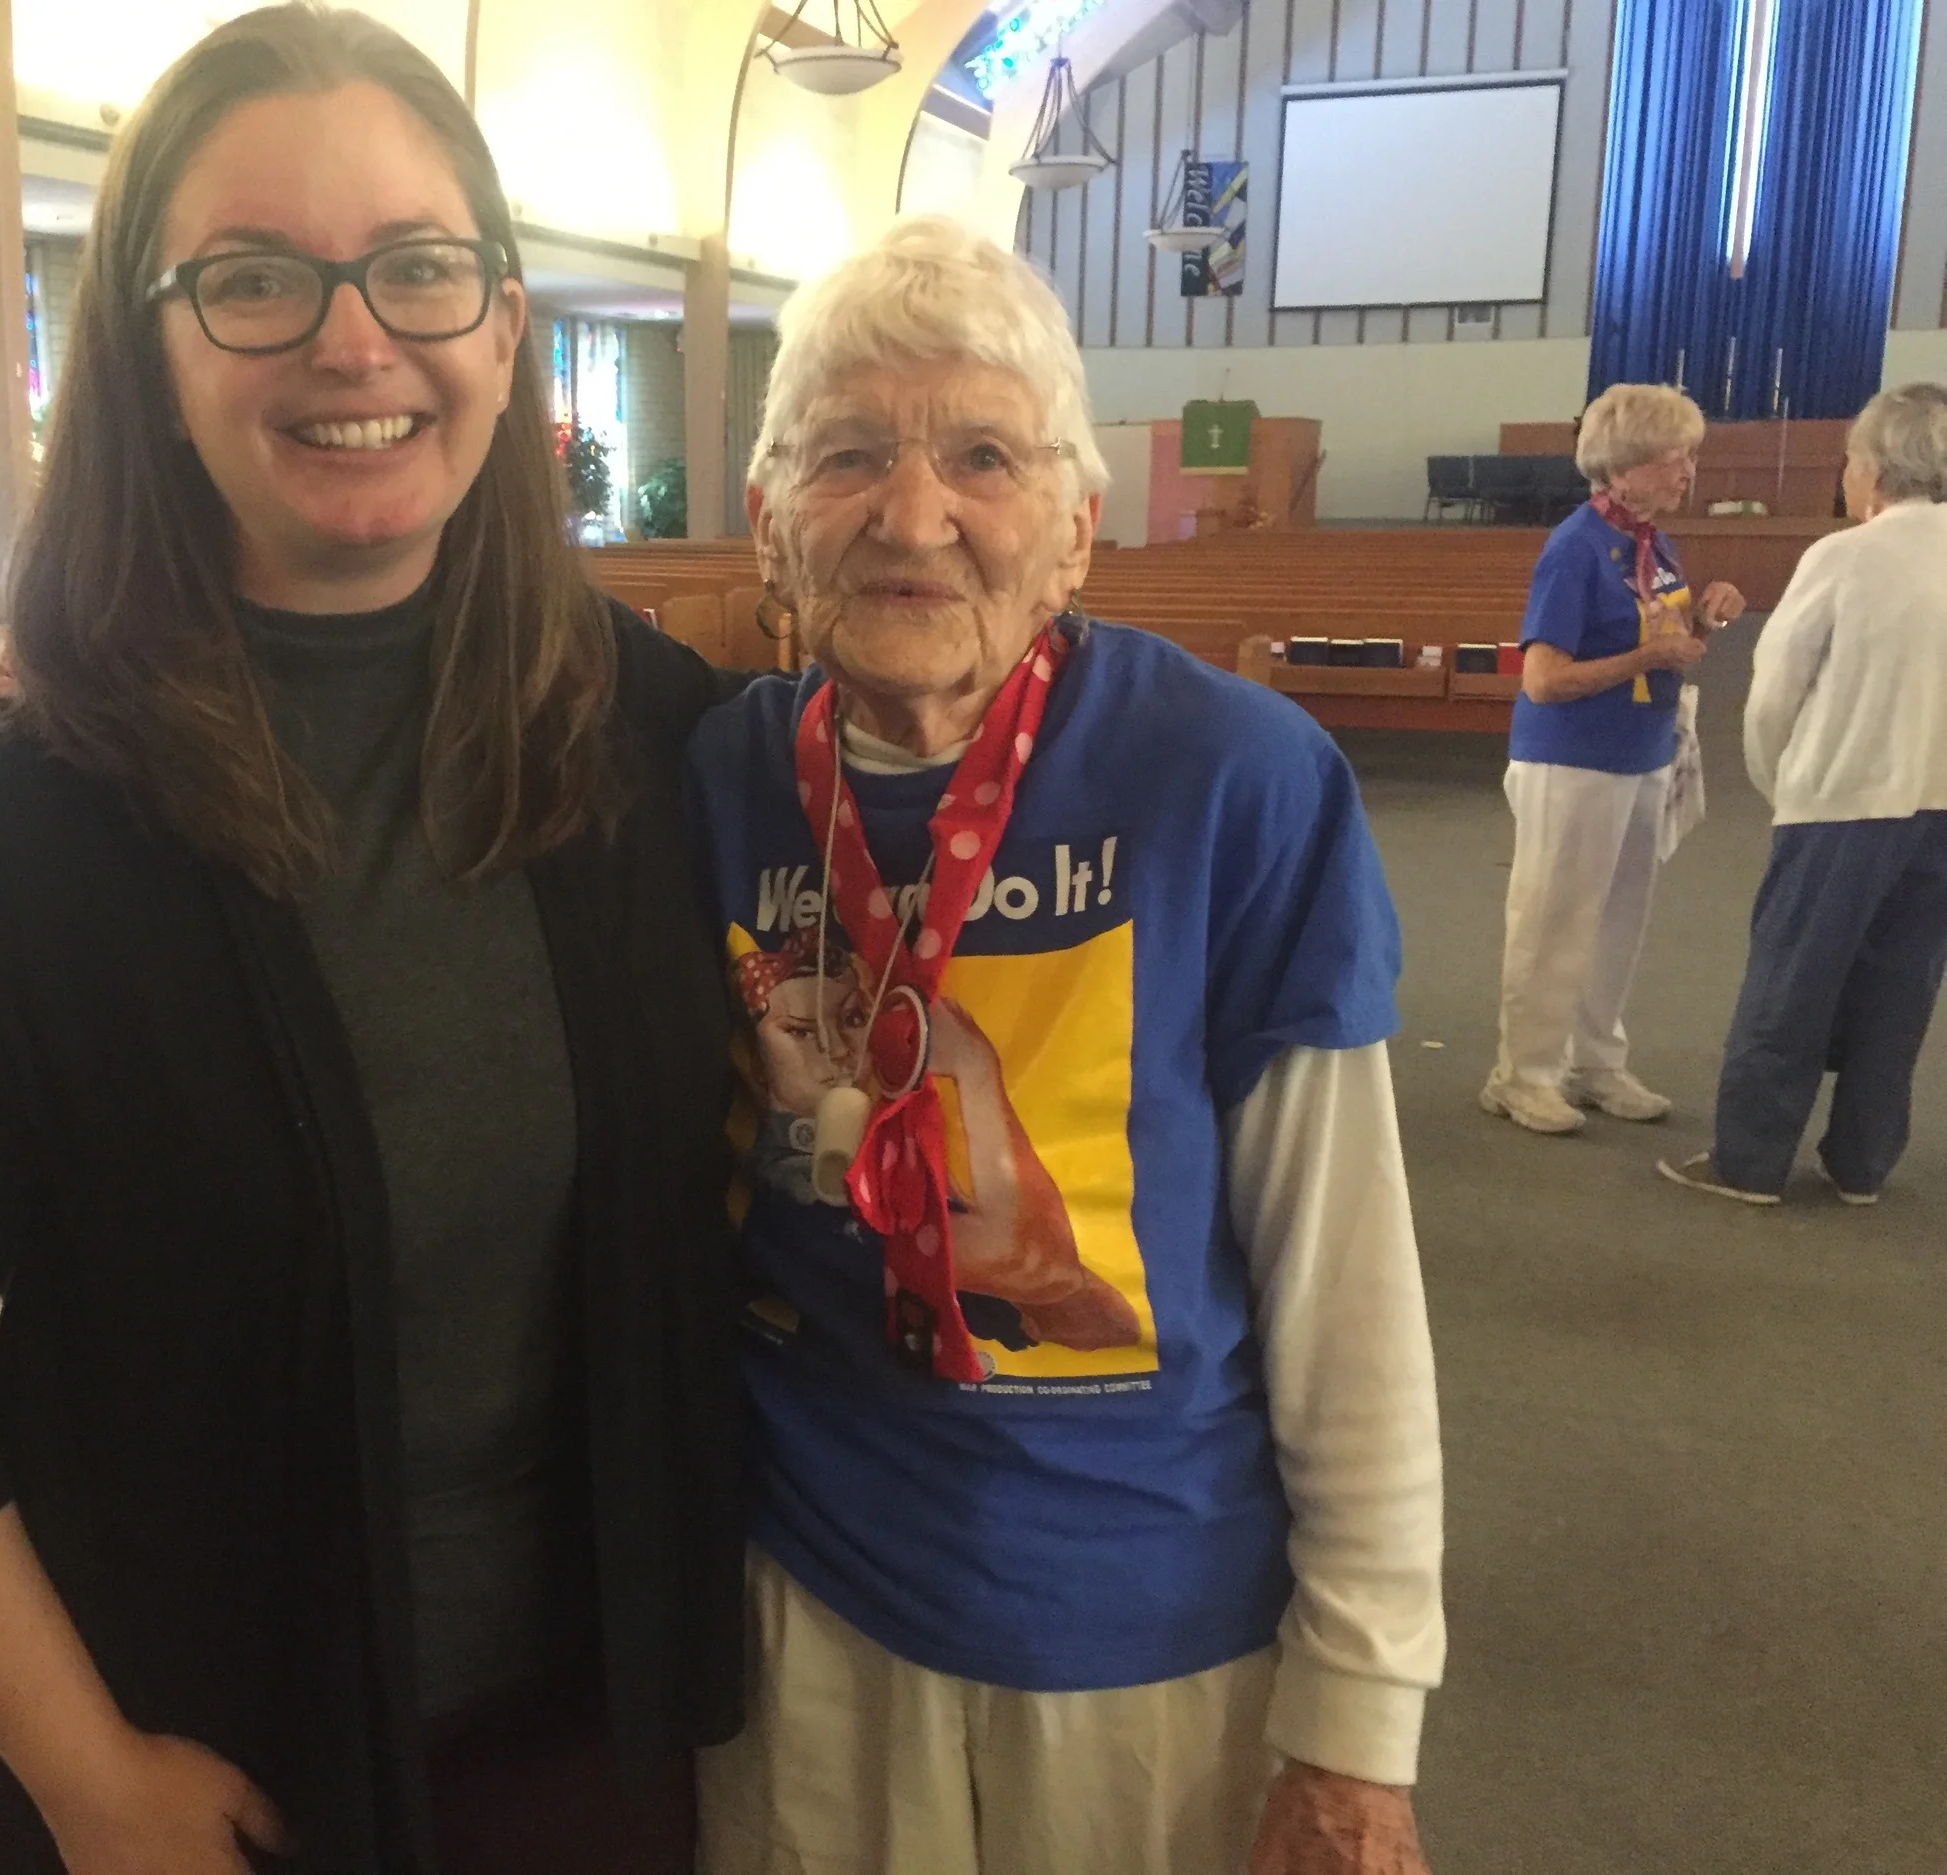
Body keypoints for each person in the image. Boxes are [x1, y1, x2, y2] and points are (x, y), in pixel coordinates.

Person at [0, 10, 742, 1873]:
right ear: (149, 350)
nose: (352, 338)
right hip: (204, 1771)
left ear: (507, 324)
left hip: (590, 1731)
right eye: (256, 280)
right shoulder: (1, 837)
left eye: (418, 268)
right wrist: (88, 1779)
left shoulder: (641, 729)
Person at [685, 217, 1444, 1875]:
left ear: (1079, 528)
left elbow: (1347, 1275)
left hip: (1158, 1624)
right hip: (808, 1604)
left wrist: (1360, 1723)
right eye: (848, 456)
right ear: (768, 520)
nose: (914, 516)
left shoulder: (1232, 777)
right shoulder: (706, 778)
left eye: (983, 457)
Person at [1661, 383, 1947, 1205]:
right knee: (1901, 988)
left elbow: (1774, 689)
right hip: (1937, 812)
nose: (1847, 477)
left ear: (1879, 471)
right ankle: (1862, 1164)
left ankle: (1749, 1161)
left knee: (1792, 984)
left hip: (1844, 804)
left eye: (1851, 462)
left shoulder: (1846, 556)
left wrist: (1782, 782)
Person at [1480, 383, 1746, 1135]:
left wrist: (1701, 611)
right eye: (1676, 458)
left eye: (1692, 456)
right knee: (1554, 919)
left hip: (1641, 752)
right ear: (1623, 467)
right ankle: (1523, 1073)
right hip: (1572, 759)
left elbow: (1661, 633)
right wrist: (1647, 653)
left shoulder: (1653, 542)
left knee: (1620, 919)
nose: (1689, 472)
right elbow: (1543, 679)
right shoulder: (1574, 548)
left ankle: (1596, 1061)